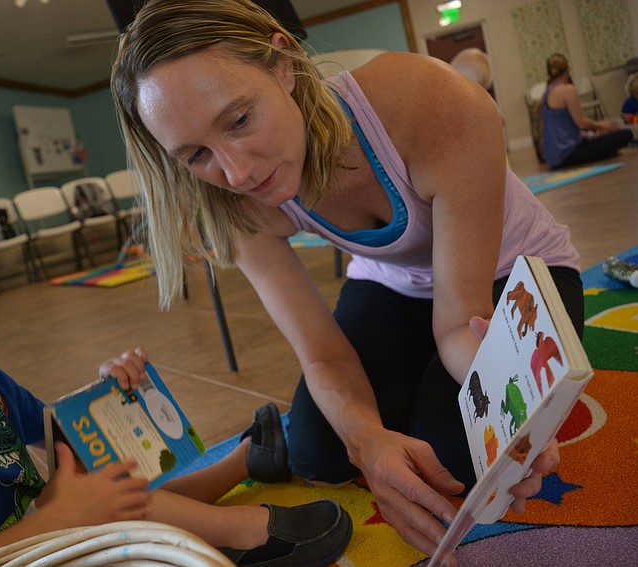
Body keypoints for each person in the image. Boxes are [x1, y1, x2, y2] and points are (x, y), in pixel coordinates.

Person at [110, 0, 585, 560]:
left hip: (516, 270)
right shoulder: (228, 202)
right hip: (390, 281)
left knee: (453, 460)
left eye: (239, 120)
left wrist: (514, 411)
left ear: (283, 62)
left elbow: (459, 322)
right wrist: (368, 442)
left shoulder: (432, 102)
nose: (236, 173)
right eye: (195, 154)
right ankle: (295, 435)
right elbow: (325, 358)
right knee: (319, 450)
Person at [0, 161, 353, 567]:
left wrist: (110, 394)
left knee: (116, 486)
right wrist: (57, 519)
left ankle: (245, 464)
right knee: (121, 514)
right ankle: (242, 533)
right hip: (29, 549)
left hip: (47, 528)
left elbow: (68, 445)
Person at [538, 53, 633, 168]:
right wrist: (604, 125)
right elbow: (582, 123)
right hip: (567, 155)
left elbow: (552, 130)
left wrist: (590, 134)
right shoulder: (568, 90)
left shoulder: (544, 95)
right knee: (626, 134)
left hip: (553, 158)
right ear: (568, 69)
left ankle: (604, 152)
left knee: (598, 140)